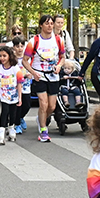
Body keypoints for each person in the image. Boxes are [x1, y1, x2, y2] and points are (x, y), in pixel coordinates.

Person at [23, 14, 67, 142]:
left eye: (51, 23)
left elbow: (62, 57)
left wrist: (59, 66)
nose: (50, 26)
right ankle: (43, 130)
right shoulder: (34, 41)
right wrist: (33, 72)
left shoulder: (59, 40)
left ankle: (41, 118)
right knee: (43, 103)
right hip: (39, 75)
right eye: (47, 23)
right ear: (41, 25)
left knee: (52, 107)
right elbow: (25, 61)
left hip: (53, 76)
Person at [0, 46, 25, 145]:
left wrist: (20, 97)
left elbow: (19, 83)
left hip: (13, 95)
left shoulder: (15, 69)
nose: (2, 58)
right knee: (4, 111)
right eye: (0, 56)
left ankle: (11, 128)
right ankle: (1, 132)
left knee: (13, 113)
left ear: (10, 56)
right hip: (3, 94)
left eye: (4, 56)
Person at [11, 37, 32, 134]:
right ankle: (17, 124)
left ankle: (20, 118)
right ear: (14, 47)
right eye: (17, 46)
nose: (20, 48)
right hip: (15, 87)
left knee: (27, 105)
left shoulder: (28, 58)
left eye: (22, 46)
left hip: (26, 86)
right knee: (18, 106)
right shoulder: (12, 59)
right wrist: (23, 75)